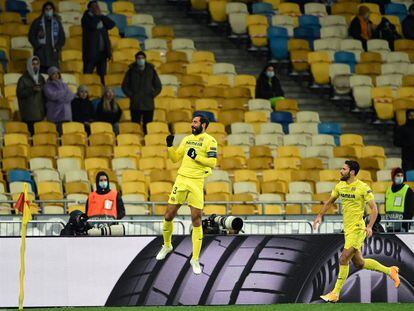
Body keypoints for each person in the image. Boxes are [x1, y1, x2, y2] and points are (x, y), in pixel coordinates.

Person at [313, 160, 400, 303]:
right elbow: (329, 202)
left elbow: (374, 209)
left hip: (358, 229)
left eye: (343, 169)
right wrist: (319, 216)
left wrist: (370, 226)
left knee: (343, 258)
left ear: (352, 172)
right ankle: (390, 271)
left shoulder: (363, 187)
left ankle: (335, 293)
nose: (341, 171)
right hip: (347, 229)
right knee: (359, 263)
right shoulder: (340, 186)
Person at [156, 114, 218, 275]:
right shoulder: (187, 139)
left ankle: (195, 259)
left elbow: (212, 162)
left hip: (197, 182)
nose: (192, 124)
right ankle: (167, 245)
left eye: (195, 122)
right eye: (192, 121)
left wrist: (195, 156)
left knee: (196, 219)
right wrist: (169, 146)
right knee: (169, 215)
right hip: (182, 180)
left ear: (203, 125)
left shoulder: (210, 141)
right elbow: (175, 158)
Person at [121, 51, 162, 134]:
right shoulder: (131, 71)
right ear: (136, 59)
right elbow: (124, 86)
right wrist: (132, 95)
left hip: (148, 104)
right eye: (138, 58)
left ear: (145, 59)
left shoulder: (151, 70)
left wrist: (152, 95)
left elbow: (158, 86)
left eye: (142, 58)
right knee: (135, 127)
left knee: (147, 127)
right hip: (135, 104)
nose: (140, 60)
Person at [81, 0, 116, 84]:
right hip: (90, 54)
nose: (97, 8)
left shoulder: (100, 17)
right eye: (94, 7)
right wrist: (97, 16)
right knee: (87, 75)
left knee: (102, 77)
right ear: (89, 9)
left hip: (102, 53)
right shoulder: (85, 18)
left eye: (97, 6)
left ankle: (102, 93)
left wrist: (101, 16)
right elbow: (92, 26)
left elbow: (111, 24)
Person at [28, 1, 65, 73]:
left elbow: (62, 38)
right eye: (46, 9)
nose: (48, 10)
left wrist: (57, 48)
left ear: (53, 10)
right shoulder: (37, 22)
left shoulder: (57, 23)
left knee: (54, 77)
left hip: (53, 55)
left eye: (50, 9)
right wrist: (38, 46)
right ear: (43, 11)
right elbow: (31, 36)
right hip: (41, 54)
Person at [16, 56, 46, 135]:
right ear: (29, 65)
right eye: (33, 64)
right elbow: (20, 94)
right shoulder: (23, 79)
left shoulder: (41, 78)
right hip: (28, 114)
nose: (35, 66)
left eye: (37, 64)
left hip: (40, 114)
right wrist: (32, 89)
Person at [43, 66, 74, 132]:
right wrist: (64, 93)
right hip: (55, 115)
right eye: (54, 74)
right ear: (50, 75)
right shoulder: (47, 86)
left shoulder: (64, 85)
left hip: (66, 114)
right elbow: (52, 96)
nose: (56, 75)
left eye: (57, 73)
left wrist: (60, 97)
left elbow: (71, 96)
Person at [385, 167, 414, 232]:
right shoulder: (388, 190)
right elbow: (386, 208)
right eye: (398, 175)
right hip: (390, 225)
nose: (400, 177)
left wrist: (405, 223)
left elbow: (410, 209)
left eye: (401, 175)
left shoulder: (408, 190)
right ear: (393, 177)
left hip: (402, 226)